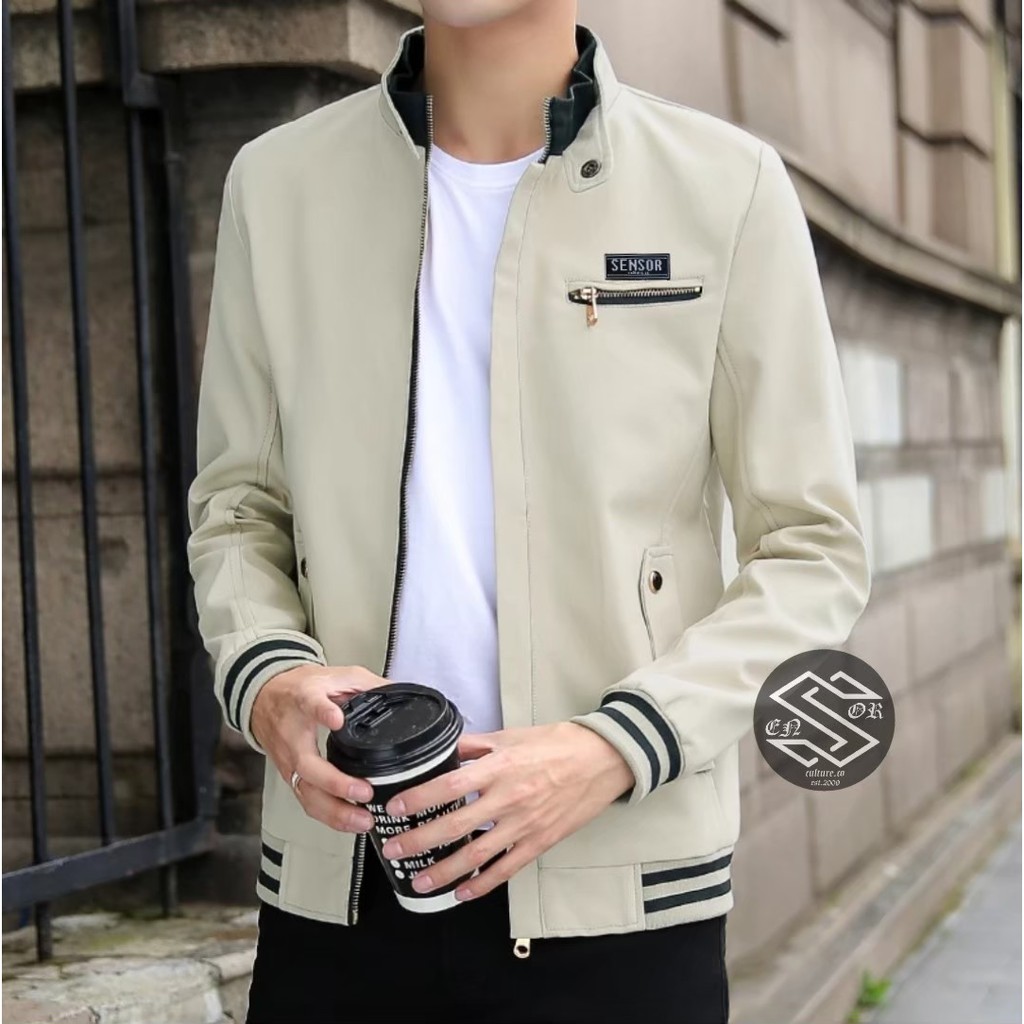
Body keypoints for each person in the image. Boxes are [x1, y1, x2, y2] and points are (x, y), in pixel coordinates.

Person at [186, 0, 870, 1020]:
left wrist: (611, 748)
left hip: (619, 894)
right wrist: (271, 680)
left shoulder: (724, 187)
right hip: (341, 894)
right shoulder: (278, 185)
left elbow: (813, 552)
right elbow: (238, 507)